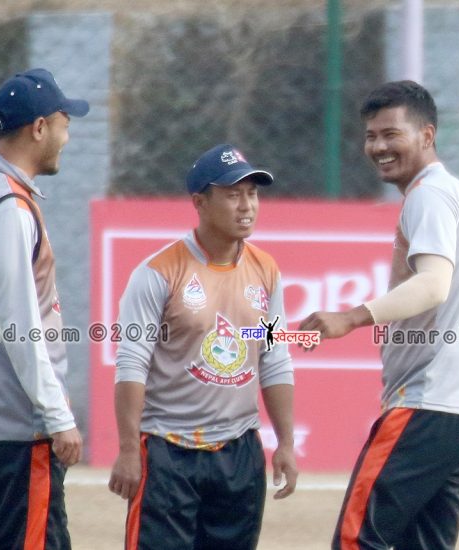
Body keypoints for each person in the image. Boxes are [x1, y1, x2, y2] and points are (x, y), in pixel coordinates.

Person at [299, 80, 459, 550]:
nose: (379, 147)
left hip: (426, 406)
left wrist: (351, 317)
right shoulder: (449, 191)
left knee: (356, 540)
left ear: (427, 135)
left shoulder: (429, 195)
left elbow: (433, 284)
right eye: (371, 136)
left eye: (391, 134)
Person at [107, 143, 298, 550]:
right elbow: (132, 364)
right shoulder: (158, 273)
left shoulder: (266, 270)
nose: (247, 206)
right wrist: (127, 449)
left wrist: (286, 442)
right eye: (233, 195)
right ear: (200, 202)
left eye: (252, 194)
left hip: (240, 453)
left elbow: (274, 357)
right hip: (168, 452)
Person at [0, 68, 88, 549]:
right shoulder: (9, 205)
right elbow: (19, 325)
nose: (68, 138)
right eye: (65, 124)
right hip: (17, 422)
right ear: (40, 127)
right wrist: (57, 415)